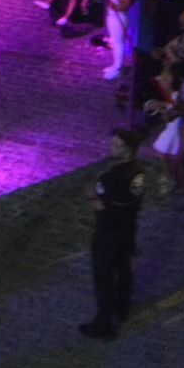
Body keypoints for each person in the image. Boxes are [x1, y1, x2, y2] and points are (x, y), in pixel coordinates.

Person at [79, 127, 145, 339]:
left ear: (128, 150)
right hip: (128, 230)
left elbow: (103, 208)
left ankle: (104, 324)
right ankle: (122, 309)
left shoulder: (110, 177)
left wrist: (91, 197)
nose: (111, 148)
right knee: (123, 270)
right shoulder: (139, 172)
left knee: (104, 277)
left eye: (116, 146)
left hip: (108, 233)